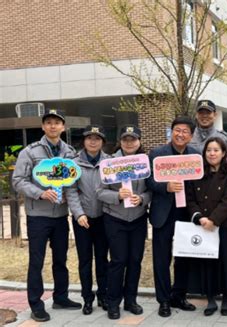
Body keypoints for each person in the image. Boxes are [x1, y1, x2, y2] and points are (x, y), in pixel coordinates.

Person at [12, 109, 81, 322]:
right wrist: (40, 193)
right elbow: (18, 180)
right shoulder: (30, 152)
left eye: (57, 122)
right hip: (38, 216)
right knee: (37, 261)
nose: (52, 126)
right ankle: (36, 304)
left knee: (61, 259)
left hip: (60, 215)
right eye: (48, 122)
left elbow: (73, 182)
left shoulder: (70, 153)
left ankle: (61, 296)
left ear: (63, 127)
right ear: (43, 127)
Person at [146, 116, 200, 317]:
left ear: (191, 135)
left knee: (184, 256)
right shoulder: (157, 154)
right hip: (164, 212)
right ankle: (164, 299)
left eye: (185, 131)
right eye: (177, 130)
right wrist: (165, 186)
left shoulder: (195, 155)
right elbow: (148, 181)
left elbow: (199, 183)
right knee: (162, 258)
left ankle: (179, 295)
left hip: (186, 212)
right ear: (171, 132)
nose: (180, 134)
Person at [97, 125, 151, 320]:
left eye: (133, 139)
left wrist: (143, 199)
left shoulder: (144, 163)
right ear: (120, 141)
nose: (130, 143)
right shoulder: (109, 163)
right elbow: (99, 192)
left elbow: (151, 189)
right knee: (118, 261)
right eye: (126, 139)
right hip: (115, 218)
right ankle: (113, 303)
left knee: (135, 261)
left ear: (139, 142)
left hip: (137, 218)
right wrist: (117, 195)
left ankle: (131, 300)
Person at [186, 137, 227, 316]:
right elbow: (190, 199)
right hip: (202, 225)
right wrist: (199, 218)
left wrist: (213, 220)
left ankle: (226, 298)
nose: (212, 153)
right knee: (207, 263)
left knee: (225, 262)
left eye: (216, 150)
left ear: (224, 153)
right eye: (208, 150)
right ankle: (210, 298)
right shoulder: (196, 173)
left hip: (223, 225)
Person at [65, 125, 110, 315]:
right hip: (82, 219)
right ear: (83, 141)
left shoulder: (110, 162)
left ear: (103, 142)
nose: (93, 141)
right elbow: (71, 190)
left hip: (104, 217)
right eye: (89, 138)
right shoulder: (73, 163)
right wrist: (79, 214)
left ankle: (103, 295)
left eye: (97, 138)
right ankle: (87, 298)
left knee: (102, 258)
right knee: (85, 260)